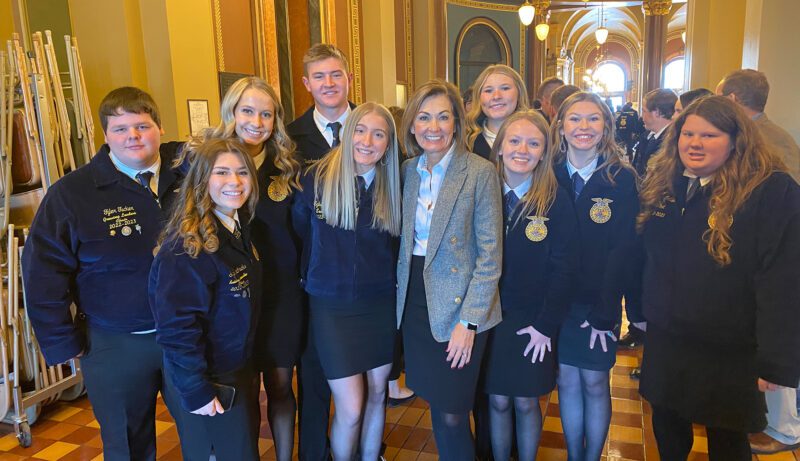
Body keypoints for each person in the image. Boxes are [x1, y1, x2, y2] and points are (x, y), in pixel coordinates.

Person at [21, 87, 184, 461]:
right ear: (105, 135)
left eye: (142, 126)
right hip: (113, 343)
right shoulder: (72, 194)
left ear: (160, 128)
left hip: (185, 335)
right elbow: (42, 274)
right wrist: (63, 342)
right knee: (127, 443)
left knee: (202, 430)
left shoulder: (190, 177)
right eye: (120, 129)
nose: (133, 137)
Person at [636, 95, 800, 461]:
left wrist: (777, 359)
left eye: (709, 136)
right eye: (688, 133)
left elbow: (783, 281)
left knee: (727, 441)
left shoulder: (770, 191)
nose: (694, 143)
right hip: (669, 337)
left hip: (729, 345)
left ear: (735, 139)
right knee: (667, 426)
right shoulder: (667, 181)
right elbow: (646, 255)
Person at [183, 76, 303, 461]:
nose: (256, 121)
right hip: (232, 298)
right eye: (247, 111)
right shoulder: (208, 162)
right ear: (230, 113)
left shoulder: (286, 168)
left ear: (276, 120)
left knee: (282, 386)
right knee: (245, 392)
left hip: (281, 295)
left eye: (266, 113)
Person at [396, 80, 503, 461]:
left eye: (443, 117)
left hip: (461, 307)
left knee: (455, 413)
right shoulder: (408, 171)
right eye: (424, 117)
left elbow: (491, 256)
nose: (433, 126)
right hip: (417, 300)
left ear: (457, 123)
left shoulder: (480, 172)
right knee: (438, 407)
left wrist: (469, 321)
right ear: (411, 125)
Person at [292, 102, 401, 461]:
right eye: (360, 130)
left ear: (389, 143)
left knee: (377, 393)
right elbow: (300, 232)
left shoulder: (394, 185)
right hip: (332, 306)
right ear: (347, 132)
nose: (368, 141)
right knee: (351, 407)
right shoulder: (316, 178)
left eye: (379, 134)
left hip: (381, 303)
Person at [150, 138, 261, 460]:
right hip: (205, 379)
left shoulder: (235, 228)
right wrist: (197, 390)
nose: (235, 182)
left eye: (242, 172)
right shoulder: (187, 247)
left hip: (233, 370)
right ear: (201, 180)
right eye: (222, 172)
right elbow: (176, 327)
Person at [483, 110, 579, 461]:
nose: (522, 150)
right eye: (515, 140)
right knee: (495, 401)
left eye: (533, 143)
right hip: (489, 317)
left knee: (525, 402)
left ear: (544, 152)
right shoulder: (482, 190)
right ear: (500, 147)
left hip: (532, 322)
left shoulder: (554, 199)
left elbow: (564, 269)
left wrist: (545, 325)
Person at [549, 92, 640, 461]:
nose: (583, 127)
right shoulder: (549, 173)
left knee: (595, 382)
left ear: (606, 127)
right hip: (557, 301)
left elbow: (624, 250)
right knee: (567, 381)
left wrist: (607, 312)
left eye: (592, 119)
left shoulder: (621, 179)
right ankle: (574, 456)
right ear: (562, 126)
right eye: (574, 119)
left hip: (597, 302)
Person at [286, 43, 354, 461]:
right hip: (309, 277)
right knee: (312, 376)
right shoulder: (290, 139)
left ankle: (364, 448)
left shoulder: (374, 125)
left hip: (367, 277)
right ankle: (314, 453)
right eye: (320, 77)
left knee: (362, 379)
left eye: (336, 74)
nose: (329, 83)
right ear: (307, 83)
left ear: (348, 78)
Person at [717, 69, 799, 182]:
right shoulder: (751, 132)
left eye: (719, 98)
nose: (716, 105)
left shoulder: (766, 140)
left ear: (732, 99)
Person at [465, 64, 530, 160]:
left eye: (505, 88)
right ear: (479, 98)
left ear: (519, 93)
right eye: (488, 90)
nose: (496, 96)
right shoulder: (465, 141)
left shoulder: (536, 136)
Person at [630, 89, 677, 178]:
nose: (641, 116)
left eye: (644, 111)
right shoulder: (647, 135)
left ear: (657, 113)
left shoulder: (671, 141)